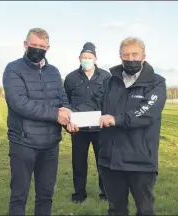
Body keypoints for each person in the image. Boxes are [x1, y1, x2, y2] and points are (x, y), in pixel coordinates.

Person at [67, 37, 167, 215]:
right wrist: (73, 116)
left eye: (135, 54)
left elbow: (146, 112)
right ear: (120, 57)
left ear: (144, 56)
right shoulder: (110, 81)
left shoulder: (156, 83)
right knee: (115, 210)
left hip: (141, 162)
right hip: (111, 161)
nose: (130, 59)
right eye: (126, 55)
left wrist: (116, 119)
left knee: (145, 210)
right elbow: (94, 104)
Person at [2, 27, 71, 216]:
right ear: (25, 45)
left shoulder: (54, 72)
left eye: (42, 46)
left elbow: (62, 99)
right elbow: (19, 103)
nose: (38, 49)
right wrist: (56, 114)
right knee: (19, 196)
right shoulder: (13, 69)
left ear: (48, 47)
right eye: (34, 45)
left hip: (50, 145)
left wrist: (68, 119)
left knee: (46, 195)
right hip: (24, 142)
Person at [63, 42, 111, 203]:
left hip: (100, 129)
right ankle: (79, 194)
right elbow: (65, 102)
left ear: (95, 59)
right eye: (84, 57)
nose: (86, 60)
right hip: (79, 130)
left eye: (89, 57)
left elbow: (110, 101)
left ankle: (105, 193)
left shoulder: (106, 77)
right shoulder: (70, 78)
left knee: (103, 162)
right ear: (79, 58)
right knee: (78, 163)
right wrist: (69, 122)